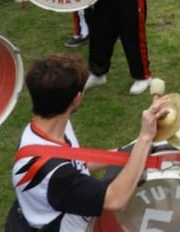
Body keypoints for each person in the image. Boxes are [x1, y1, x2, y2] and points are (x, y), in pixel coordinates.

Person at [9, 53, 170, 231]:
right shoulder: (55, 174)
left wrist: (129, 150)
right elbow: (115, 199)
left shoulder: (43, 130)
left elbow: (76, 162)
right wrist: (145, 138)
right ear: (77, 98)